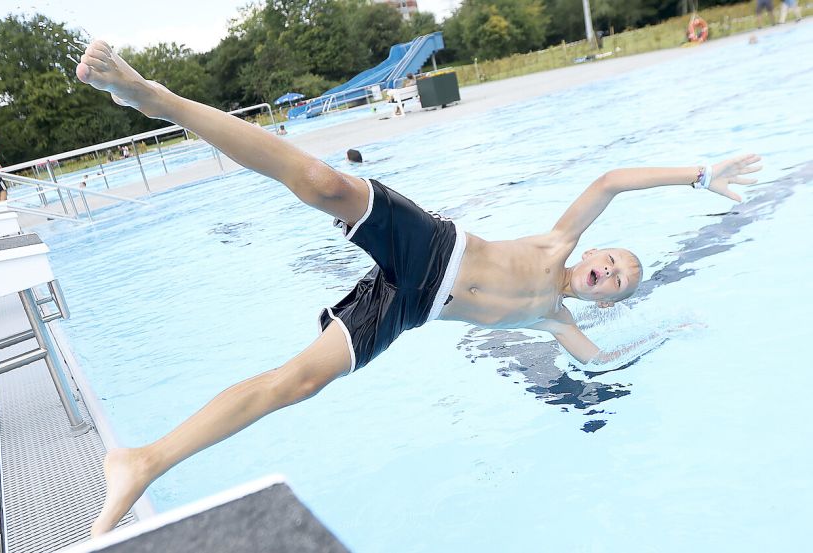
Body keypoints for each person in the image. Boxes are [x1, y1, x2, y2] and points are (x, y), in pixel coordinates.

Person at [75, 40, 762, 536]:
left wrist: (664, 334)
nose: (608, 272)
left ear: (605, 301)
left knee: (295, 382)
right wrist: (698, 173)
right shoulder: (559, 243)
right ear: (597, 251)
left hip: (406, 306)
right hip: (430, 243)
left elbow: (598, 362)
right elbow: (611, 180)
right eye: (613, 261)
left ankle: (140, 461)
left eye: (617, 284)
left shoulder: (557, 321)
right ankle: (155, 97)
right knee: (323, 183)